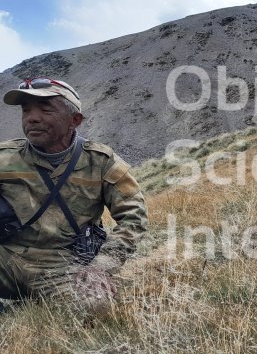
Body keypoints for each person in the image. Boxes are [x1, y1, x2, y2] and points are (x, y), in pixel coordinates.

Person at [0, 78, 147, 312]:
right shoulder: (4, 157)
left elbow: (133, 217)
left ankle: (24, 306)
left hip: (64, 267)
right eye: (26, 110)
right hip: (7, 258)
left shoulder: (101, 162)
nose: (32, 117)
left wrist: (103, 264)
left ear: (75, 120)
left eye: (45, 109)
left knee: (97, 308)